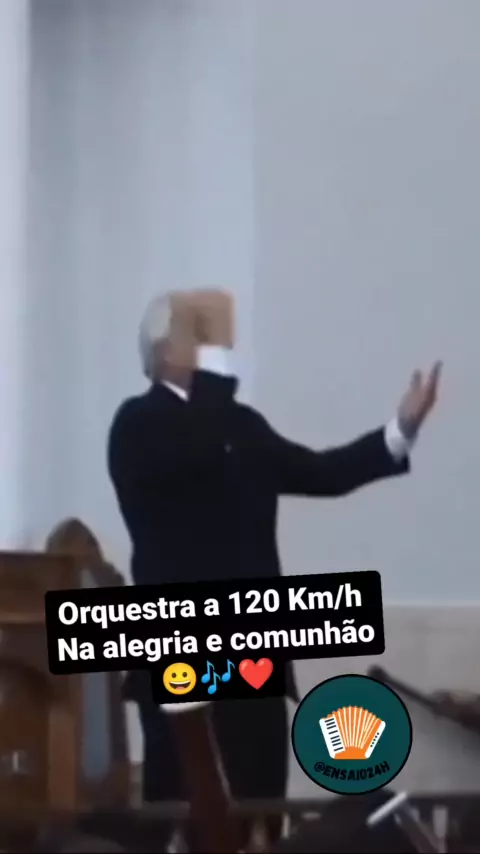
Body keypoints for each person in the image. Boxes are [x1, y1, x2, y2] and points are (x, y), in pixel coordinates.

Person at [107, 289, 441, 846]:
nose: (211, 349)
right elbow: (194, 454)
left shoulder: (239, 426)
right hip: (181, 649)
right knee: (186, 810)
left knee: (260, 802)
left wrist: (400, 429)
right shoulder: (138, 424)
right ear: (164, 351)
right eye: (197, 336)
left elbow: (321, 471)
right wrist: (215, 385)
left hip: (256, 646)